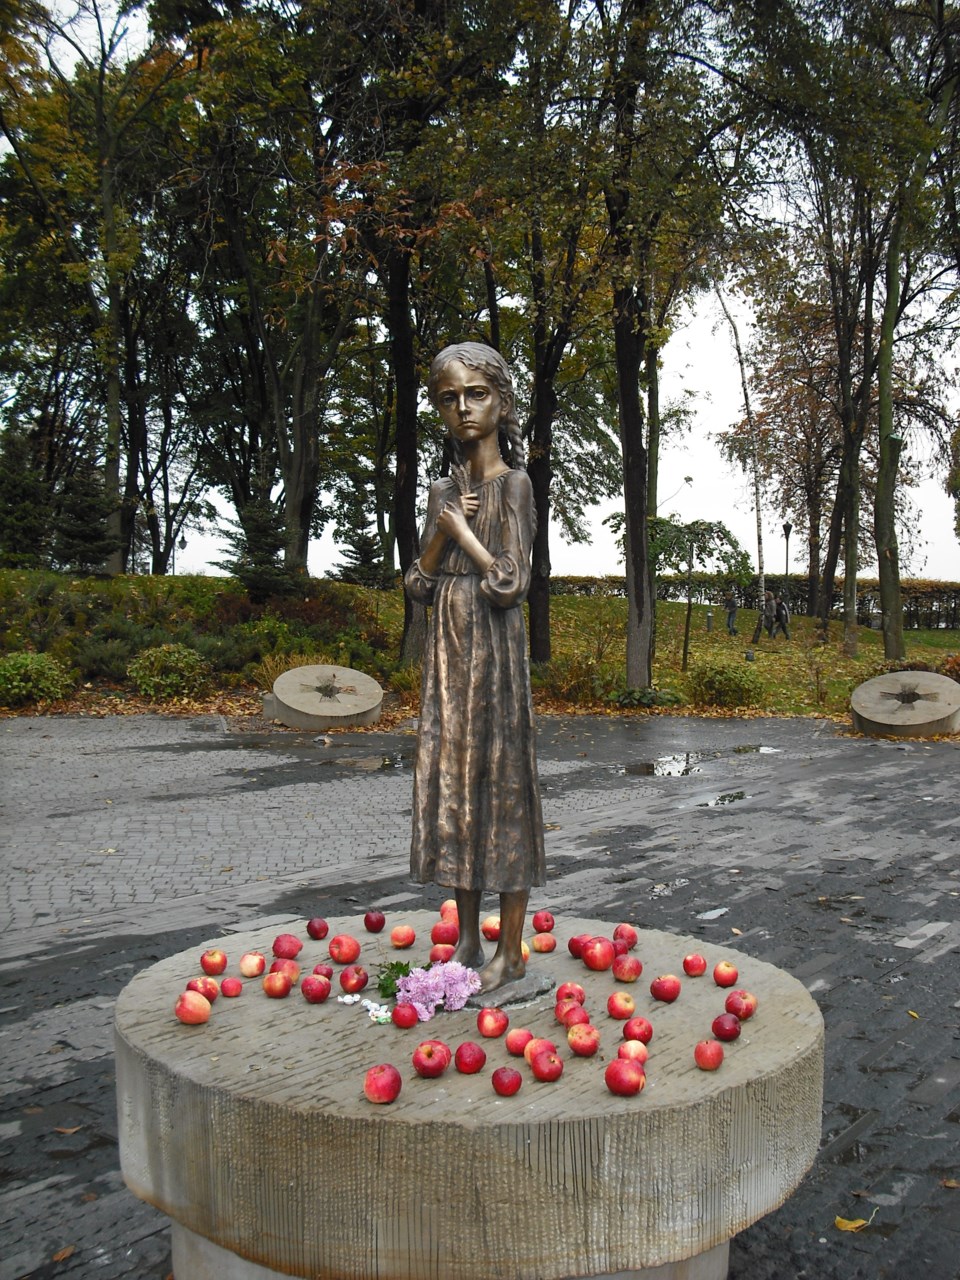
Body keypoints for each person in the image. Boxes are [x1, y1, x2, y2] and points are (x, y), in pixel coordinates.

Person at [404, 342, 545, 994]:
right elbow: (416, 584)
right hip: (449, 660)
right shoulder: (441, 490)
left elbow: (511, 583)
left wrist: (463, 536)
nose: (462, 408)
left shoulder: (514, 485)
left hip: (495, 658)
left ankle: (511, 950)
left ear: (502, 401)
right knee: (457, 790)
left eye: (476, 394)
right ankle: (465, 936)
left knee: (501, 789)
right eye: (448, 398)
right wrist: (439, 532)